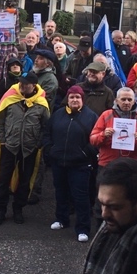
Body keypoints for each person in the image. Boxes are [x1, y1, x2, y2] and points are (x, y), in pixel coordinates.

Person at [0, 72, 50, 225]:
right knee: (3, 179)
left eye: (26, 84)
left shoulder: (41, 104)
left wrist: (38, 143)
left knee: (24, 180)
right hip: (10, 147)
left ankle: (18, 209)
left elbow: (46, 127)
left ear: (34, 85)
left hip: (29, 149)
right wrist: (3, 140)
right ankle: (0, 210)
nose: (22, 86)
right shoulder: (10, 99)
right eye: (21, 83)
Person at [44, 85, 98, 242]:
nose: (75, 100)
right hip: (59, 161)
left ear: (83, 100)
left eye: (78, 97)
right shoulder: (58, 114)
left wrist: (85, 153)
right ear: (67, 99)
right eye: (72, 97)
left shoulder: (91, 116)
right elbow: (47, 133)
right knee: (61, 192)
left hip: (80, 164)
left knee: (81, 196)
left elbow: (95, 139)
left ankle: (83, 228)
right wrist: (50, 149)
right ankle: (61, 219)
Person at [90, 87, 137, 168]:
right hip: (107, 164)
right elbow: (92, 140)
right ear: (116, 100)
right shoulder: (106, 115)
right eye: (123, 99)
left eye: (129, 99)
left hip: (131, 165)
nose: (126, 102)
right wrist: (103, 134)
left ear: (134, 101)